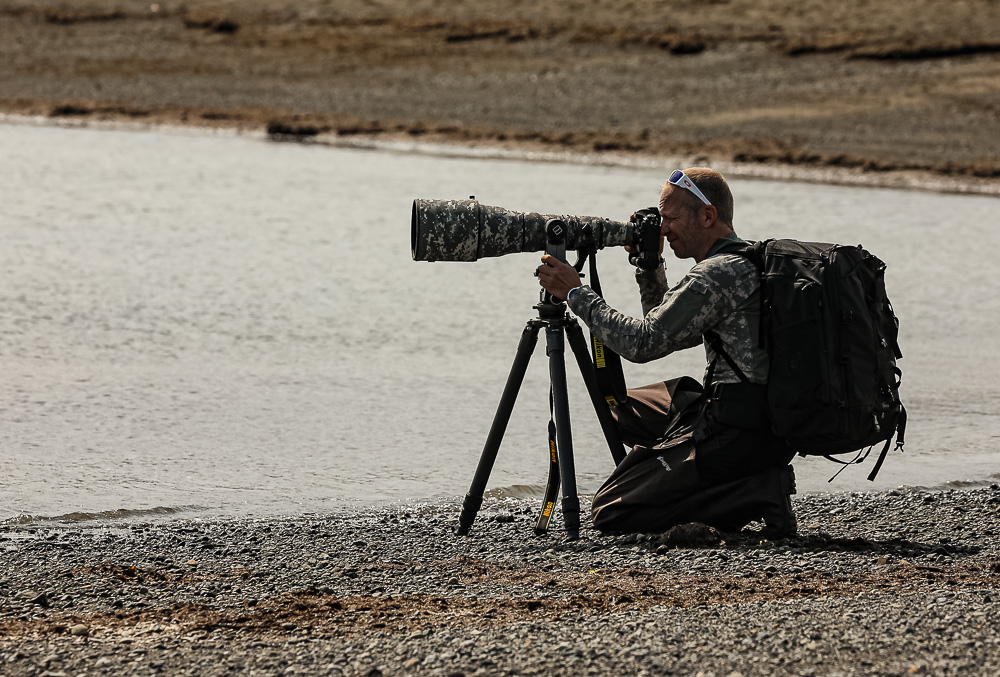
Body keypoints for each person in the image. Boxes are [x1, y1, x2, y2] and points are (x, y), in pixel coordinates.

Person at [535, 167, 797, 537]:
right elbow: (670, 332)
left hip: (735, 429)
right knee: (614, 405)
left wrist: (576, 294)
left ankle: (752, 491)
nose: (663, 229)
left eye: (670, 218)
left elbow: (642, 344)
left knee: (611, 512)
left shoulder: (714, 276)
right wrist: (649, 265)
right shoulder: (747, 262)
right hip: (761, 420)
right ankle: (686, 469)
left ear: (707, 216)